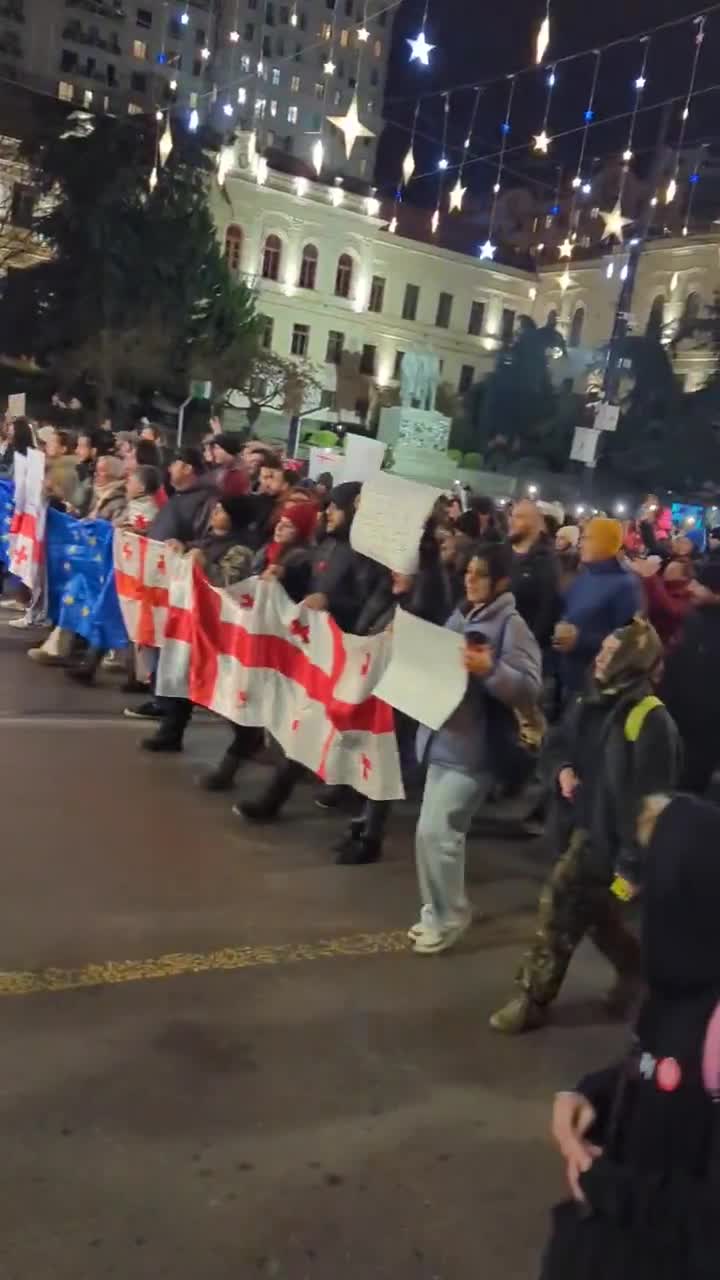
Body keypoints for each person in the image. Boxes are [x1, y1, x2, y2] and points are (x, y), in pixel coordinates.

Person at [541, 793, 720, 1280]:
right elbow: (654, 1064)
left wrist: (605, 1186)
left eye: (651, 875)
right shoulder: (679, 991)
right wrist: (589, 1093)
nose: (638, 899)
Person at [490, 616, 681, 1034]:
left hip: (611, 845)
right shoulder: (592, 698)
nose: (600, 659)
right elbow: (560, 742)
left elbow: (653, 806)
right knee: (598, 916)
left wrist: (632, 868)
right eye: (603, 651)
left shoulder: (650, 721)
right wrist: (563, 769)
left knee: (558, 907)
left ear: (633, 661)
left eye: (613, 654)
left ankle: (533, 997)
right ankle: (637, 973)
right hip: (582, 826)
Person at [410, 542, 543, 955]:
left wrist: (490, 671)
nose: (469, 578)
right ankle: (436, 910)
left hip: (476, 748)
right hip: (443, 738)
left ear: (501, 581)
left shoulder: (511, 625)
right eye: (468, 571)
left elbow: (529, 687)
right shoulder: (460, 615)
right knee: (429, 834)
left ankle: (451, 915)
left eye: (480, 573)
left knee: (439, 833)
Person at [141, 498, 261, 752]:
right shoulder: (206, 540)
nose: (215, 513)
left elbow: (231, 583)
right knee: (181, 671)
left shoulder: (241, 549)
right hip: (192, 618)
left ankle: (247, 737)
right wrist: (180, 551)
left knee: (221, 684)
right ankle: (171, 731)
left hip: (218, 625)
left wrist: (203, 564)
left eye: (222, 510)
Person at [553, 517, 642, 697]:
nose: (580, 544)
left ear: (604, 543)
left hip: (593, 686)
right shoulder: (586, 574)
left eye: (587, 538)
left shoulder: (625, 585)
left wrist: (580, 641)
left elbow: (627, 641)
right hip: (566, 674)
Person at [660, 559, 720, 794]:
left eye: (699, 584)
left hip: (705, 731)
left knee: (686, 789)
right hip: (674, 719)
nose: (690, 587)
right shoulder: (695, 617)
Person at [509, 498, 561, 650]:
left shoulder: (546, 562)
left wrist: (526, 647)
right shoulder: (506, 550)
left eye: (519, 517)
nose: (511, 521)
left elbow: (546, 611)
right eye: (512, 516)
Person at [146, 447, 216, 545]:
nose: (169, 469)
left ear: (187, 469)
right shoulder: (178, 496)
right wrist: (143, 533)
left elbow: (211, 539)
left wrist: (186, 547)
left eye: (174, 464)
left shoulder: (207, 500)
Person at [630, 556, 694, 650]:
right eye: (668, 568)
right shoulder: (659, 583)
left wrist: (651, 577)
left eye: (672, 570)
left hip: (658, 646)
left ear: (684, 577)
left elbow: (670, 609)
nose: (667, 572)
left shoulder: (685, 597)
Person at [86, 455, 127, 523]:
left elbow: (113, 528)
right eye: (96, 470)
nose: (96, 474)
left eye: (101, 470)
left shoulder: (120, 501)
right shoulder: (94, 492)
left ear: (114, 474)